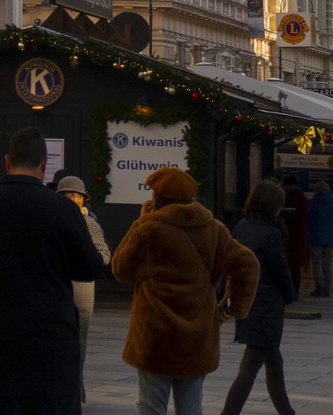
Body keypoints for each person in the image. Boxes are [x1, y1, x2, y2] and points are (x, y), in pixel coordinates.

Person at [0, 127, 105, 415]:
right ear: (44, 165)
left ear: (7, 162)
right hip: (50, 335)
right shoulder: (63, 209)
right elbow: (90, 267)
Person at [111, 166, 258, 415]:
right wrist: (232, 307)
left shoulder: (150, 229)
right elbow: (248, 264)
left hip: (155, 339)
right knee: (191, 407)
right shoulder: (214, 229)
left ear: (157, 198)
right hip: (197, 339)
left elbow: (120, 269)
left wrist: (140, 221)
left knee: (151, 406)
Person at [220, 180, 299, 415]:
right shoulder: (272, 233)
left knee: (274, 364)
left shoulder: (241, 226)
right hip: (265, 306)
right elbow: (280, 271)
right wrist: (289, 295)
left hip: (247, 301)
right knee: (249, 368)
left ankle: (287, 412)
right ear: (274, 206)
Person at [55, 176, 110, 401]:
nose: (70, 202)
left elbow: (104, 256)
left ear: (81, 201)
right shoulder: (51, 220)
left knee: (78, 342)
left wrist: (84, 260)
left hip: (80, 292)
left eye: (74, 198)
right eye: (66, 197)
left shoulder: (90, 224)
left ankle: (74, 391)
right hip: (57, 290)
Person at [307, 181, 333, 297]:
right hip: (331, 235)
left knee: (317, 262)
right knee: (329, 262)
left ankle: (319, 288)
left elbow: (308, 216)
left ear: (316, 190)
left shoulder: (312, 202)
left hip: (315, 234)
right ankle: (327, 289)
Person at [282, 178, 310, 298]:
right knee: (295, 266)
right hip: (298, 234)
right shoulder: (302, 198)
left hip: (290, 234)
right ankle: (295, 291)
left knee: (287, 264)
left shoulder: (288, 198)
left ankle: (289, 291)